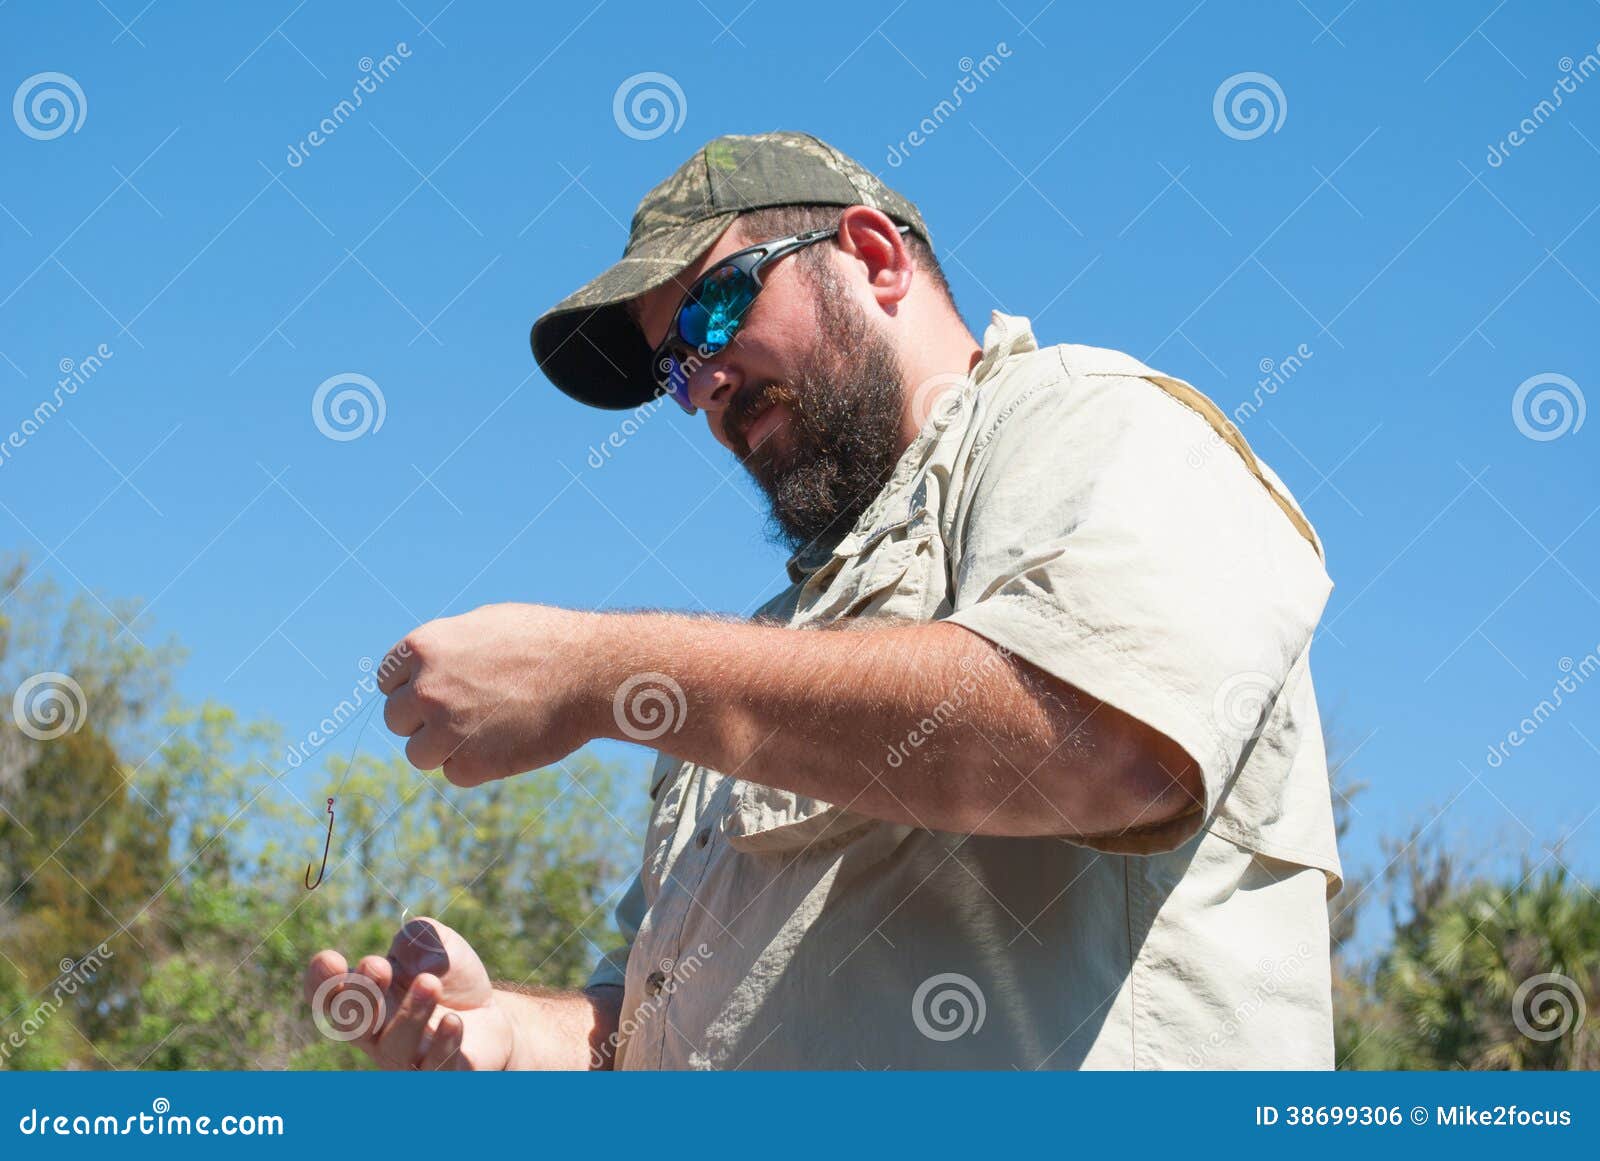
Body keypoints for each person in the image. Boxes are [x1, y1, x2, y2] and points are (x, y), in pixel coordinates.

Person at [303, 130, 1342, 1070]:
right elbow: (650, 1022)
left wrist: (594, 674)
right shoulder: (763, 654)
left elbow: (1098, 742)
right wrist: (501, 1034)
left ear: (876, 257)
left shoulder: (1089, 425)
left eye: (712, 311)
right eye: (673, 367)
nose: (701, 383)